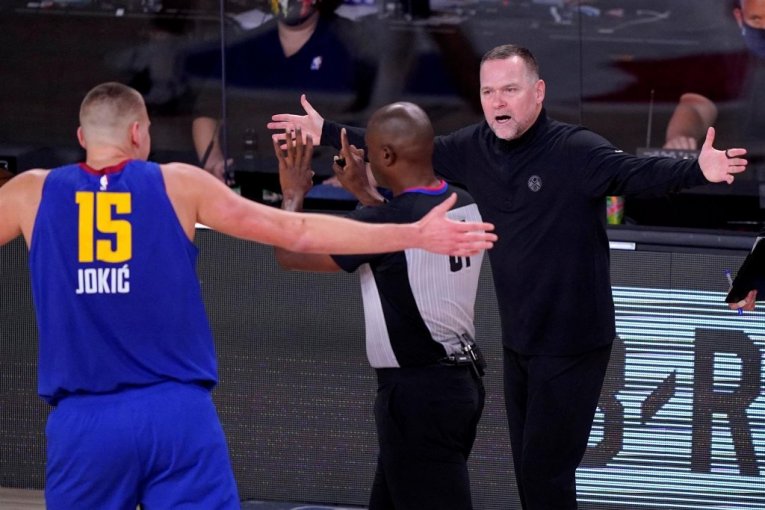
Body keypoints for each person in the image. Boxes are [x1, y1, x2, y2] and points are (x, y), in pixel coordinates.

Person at [267, 44, 748, 509]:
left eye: (510, 90)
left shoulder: (575, 150)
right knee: (531, 477)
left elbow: (635, 173)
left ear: (538, 92)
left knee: (544, 477)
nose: (498, 102)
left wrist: (698, 170)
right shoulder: (473, 147)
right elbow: (403, 148)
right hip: (520, 342)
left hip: (575, 344)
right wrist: (327, 131)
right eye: (488, 91)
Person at [0, 82, 496, 510]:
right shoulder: (179, 184)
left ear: (82, 136)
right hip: (177, 413)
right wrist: (413, 234)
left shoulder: (31, 192)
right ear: (137, 133)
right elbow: (296, 232)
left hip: (83, 419)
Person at [273, 102, 486, 509]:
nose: (363, 159)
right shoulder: (464, 202)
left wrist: (293, 192)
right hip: (459, 385)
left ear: (386, 156)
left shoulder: (387, 223)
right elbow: (398, 242)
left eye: (368, 152)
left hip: (417, 397)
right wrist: (363, 193)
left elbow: (290, 253)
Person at [184, 0, 377, 185]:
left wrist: (359, 175)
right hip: (249, 178)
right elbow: (207, 113)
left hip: (326, 184)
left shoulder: (352, 43)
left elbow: (381, 125)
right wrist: (214, 163)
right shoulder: (247, 46)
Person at [664, 0, 765, 150]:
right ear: (739, 17)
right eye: (756, 19)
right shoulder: (725, 59)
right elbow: (696, 107)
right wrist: (681, 137)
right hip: (741, 160)